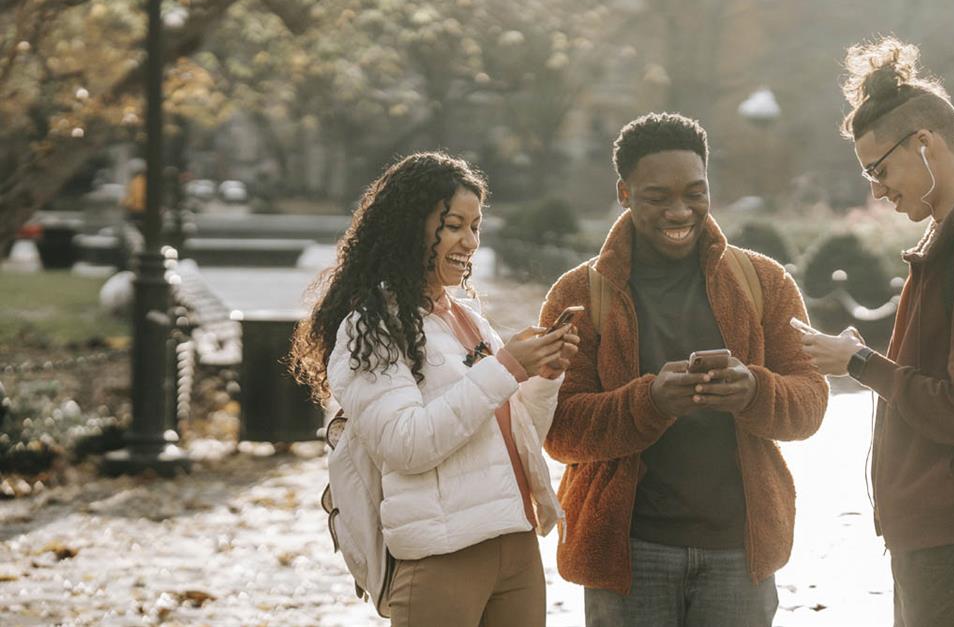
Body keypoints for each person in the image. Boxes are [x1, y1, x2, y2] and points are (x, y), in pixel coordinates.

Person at [800, 37, 954, 627]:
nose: (877, 189)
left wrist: (858, 363)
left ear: (925, 143)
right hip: (938, 532)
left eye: (880, 169)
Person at [539, 112, 829, 626]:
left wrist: (753, 392)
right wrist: (648, 403)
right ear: (624, 193)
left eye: (695, 193)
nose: (680, 211)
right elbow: (558, 429)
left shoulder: (762, 280)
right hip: (627, 552)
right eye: (658, 197)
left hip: (740, 551)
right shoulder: (579, 294)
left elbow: (810, 403)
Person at [289, 152, 579, 627]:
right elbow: (407, 445)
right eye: (453, 225)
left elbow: (518, 437)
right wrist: (505, 368)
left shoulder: (468, 319)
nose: (469, 241)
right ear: (410, 228)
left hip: (517, 544)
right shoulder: (373, 327)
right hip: (444, 557)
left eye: (476, 225)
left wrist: (544, 376)